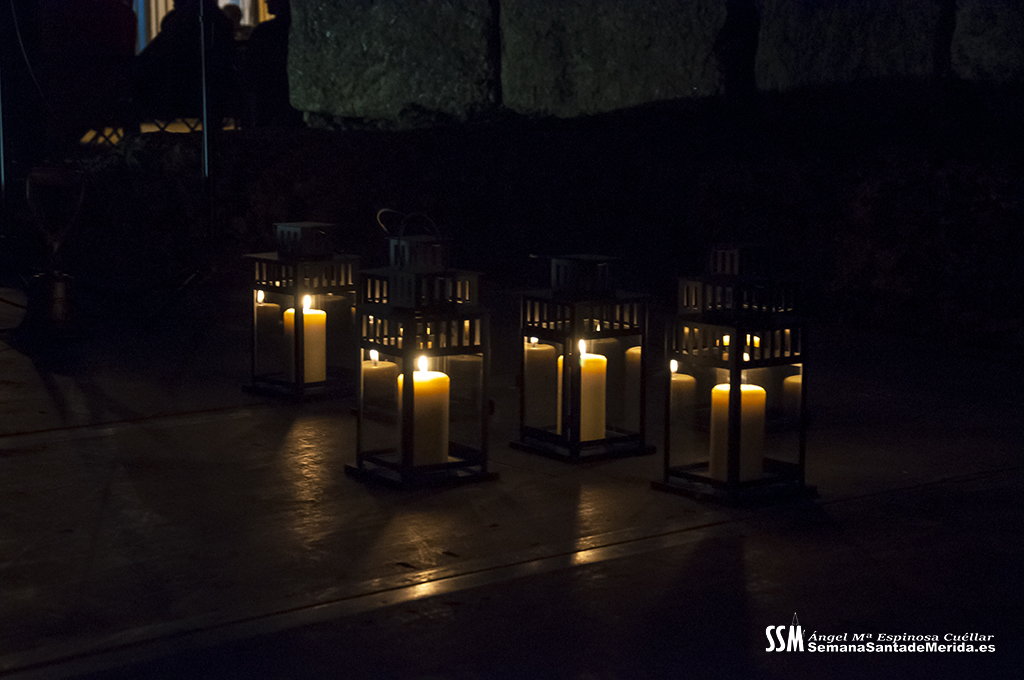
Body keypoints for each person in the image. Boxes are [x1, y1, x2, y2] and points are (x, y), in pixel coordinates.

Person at [133, 0, 238, 123]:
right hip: (217, 97)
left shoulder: (177, 23)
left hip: (176, 96)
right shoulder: (220, 22)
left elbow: (149, 58)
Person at [245, 0, 302, 127]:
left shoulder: (265, 32)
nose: (265, 2)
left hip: (269, 97)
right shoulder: (299, 30)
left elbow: (251, 69)